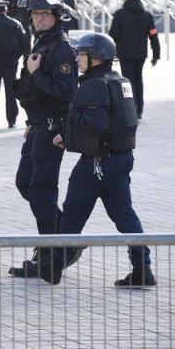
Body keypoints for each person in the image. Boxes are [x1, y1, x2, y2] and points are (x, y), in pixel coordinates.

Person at [39, 32, 154, 287]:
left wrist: (69, 131)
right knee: (125, 217)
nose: (77, 58)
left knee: (71, 217)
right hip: (120, 159)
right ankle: (143, 268)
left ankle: (53, 268)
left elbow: (97, 123)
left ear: (96, 58)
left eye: (81, 54)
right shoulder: (120, 80)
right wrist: (68, 136)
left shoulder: (93, 84)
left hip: (96, 163)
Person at [9, 0, 77, 277]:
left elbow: (66, 92)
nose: (39, 18)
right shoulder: (42, 42)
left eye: (44, 14)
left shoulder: (61, 48)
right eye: (35, 14)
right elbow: (35, 93)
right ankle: (63, 243)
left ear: (55, 15)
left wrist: (36, 73)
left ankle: (51, 255)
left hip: (52, 128)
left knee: (41, 190)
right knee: (25, 183)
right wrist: (29, 120)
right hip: (38, 124)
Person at [109, 0, 160, 120]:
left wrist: (108, 50)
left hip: (125, 53)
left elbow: (113, 34)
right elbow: (153, 35)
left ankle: (131, 109)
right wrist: (156, 54)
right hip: (140, 54)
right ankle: (139, 110)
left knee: (128, 80)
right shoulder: (147, 15)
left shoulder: (119, 14)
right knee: (138, 79)